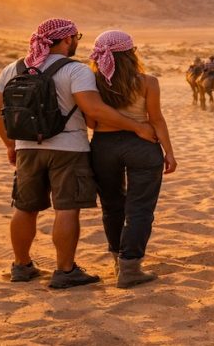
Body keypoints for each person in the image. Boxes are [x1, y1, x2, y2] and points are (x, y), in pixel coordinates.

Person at [0, 18, 156, 289]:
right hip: (69, 150)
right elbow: (94, 110)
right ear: (66, 39)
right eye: (76, 37)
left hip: (26, 148)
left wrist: (10, 144)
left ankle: (21, 266)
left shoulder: (13, 68)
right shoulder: (75, 70)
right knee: (66, 209)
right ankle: (65, 270)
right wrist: (137, 126)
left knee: (25, 207)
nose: (77, 42)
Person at [87, 30, 176, 288]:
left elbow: (91, 121)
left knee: (111, 206)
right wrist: (169, 152)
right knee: (141, 209)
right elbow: (156, 119)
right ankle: (130, 267)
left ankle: (118, 261)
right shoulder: (148, 82)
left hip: (103, 146)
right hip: (142, 146)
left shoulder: (92, 83)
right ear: (131, 53)